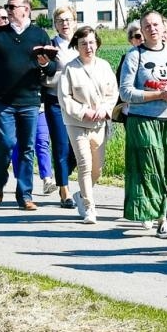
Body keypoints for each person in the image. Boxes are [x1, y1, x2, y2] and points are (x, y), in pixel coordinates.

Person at [0, 0, 58, 209]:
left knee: (27, 148)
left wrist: (43, 63)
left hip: (29, 101)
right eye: (7, 7)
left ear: (26, 10)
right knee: (6, 144)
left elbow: (52, 68)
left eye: (12, 7)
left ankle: (25, 195)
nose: (8, 11)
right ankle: (0, 180)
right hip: (2, 101)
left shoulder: (39, 35)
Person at [118, 11, 167, 236]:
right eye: (147, 26)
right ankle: (161, 220)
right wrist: (158, 95)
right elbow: (126, 92)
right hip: (143, 120)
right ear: (142, 30)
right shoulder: (134, 55)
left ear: (163, 27)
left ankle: (158, 212)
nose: (152, 29)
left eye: (156, 24)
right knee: (151, 168)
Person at [56, 25, 118, 223]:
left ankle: (81, 195)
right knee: (85, 164)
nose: (88, 47)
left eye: (91, 43)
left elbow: (113, 93)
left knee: (97, 169)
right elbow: (65, 99)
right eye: (83, 44)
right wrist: (84, 112)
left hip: (99, 124)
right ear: (77, 46)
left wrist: (105, 109)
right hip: (77, 123)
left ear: (97, 44)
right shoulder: (70, 69)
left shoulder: (105, 66)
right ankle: (90, 208)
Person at [41, 6, 79, 205]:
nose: (65, 24)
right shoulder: (51, 46)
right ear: (55, 25)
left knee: (77, 148)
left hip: (79, 102)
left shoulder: (81, 44)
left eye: (68, 20)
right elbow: (46, 73)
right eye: (60, 21)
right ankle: (64, 190)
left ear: (75, 21)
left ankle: (62, 172)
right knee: (61, 145)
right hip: (55, 100)